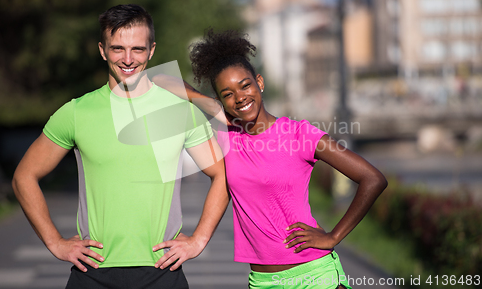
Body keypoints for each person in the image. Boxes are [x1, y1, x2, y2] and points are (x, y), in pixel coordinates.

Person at [12, 5, 229, 289]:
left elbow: (223, 174)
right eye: (118, 49)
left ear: (151, 50)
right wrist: (55, 242)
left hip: (162, 272)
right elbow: (23, 177)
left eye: (138, 49)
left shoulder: (179, 111)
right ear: (102, 50)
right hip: (92, 273)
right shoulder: (76, 112)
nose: (128, 59)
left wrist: (198, 239)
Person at [152, 29, 388, 289]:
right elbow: (162, 78)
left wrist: (333, 237)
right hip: (262, 281)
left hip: (314, 274)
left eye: (245, 85)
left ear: (260, 83)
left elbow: (373, 179)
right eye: (228, 93)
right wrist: (213, 105)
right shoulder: (226, 137)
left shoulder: (300, 134)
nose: (240, 97)